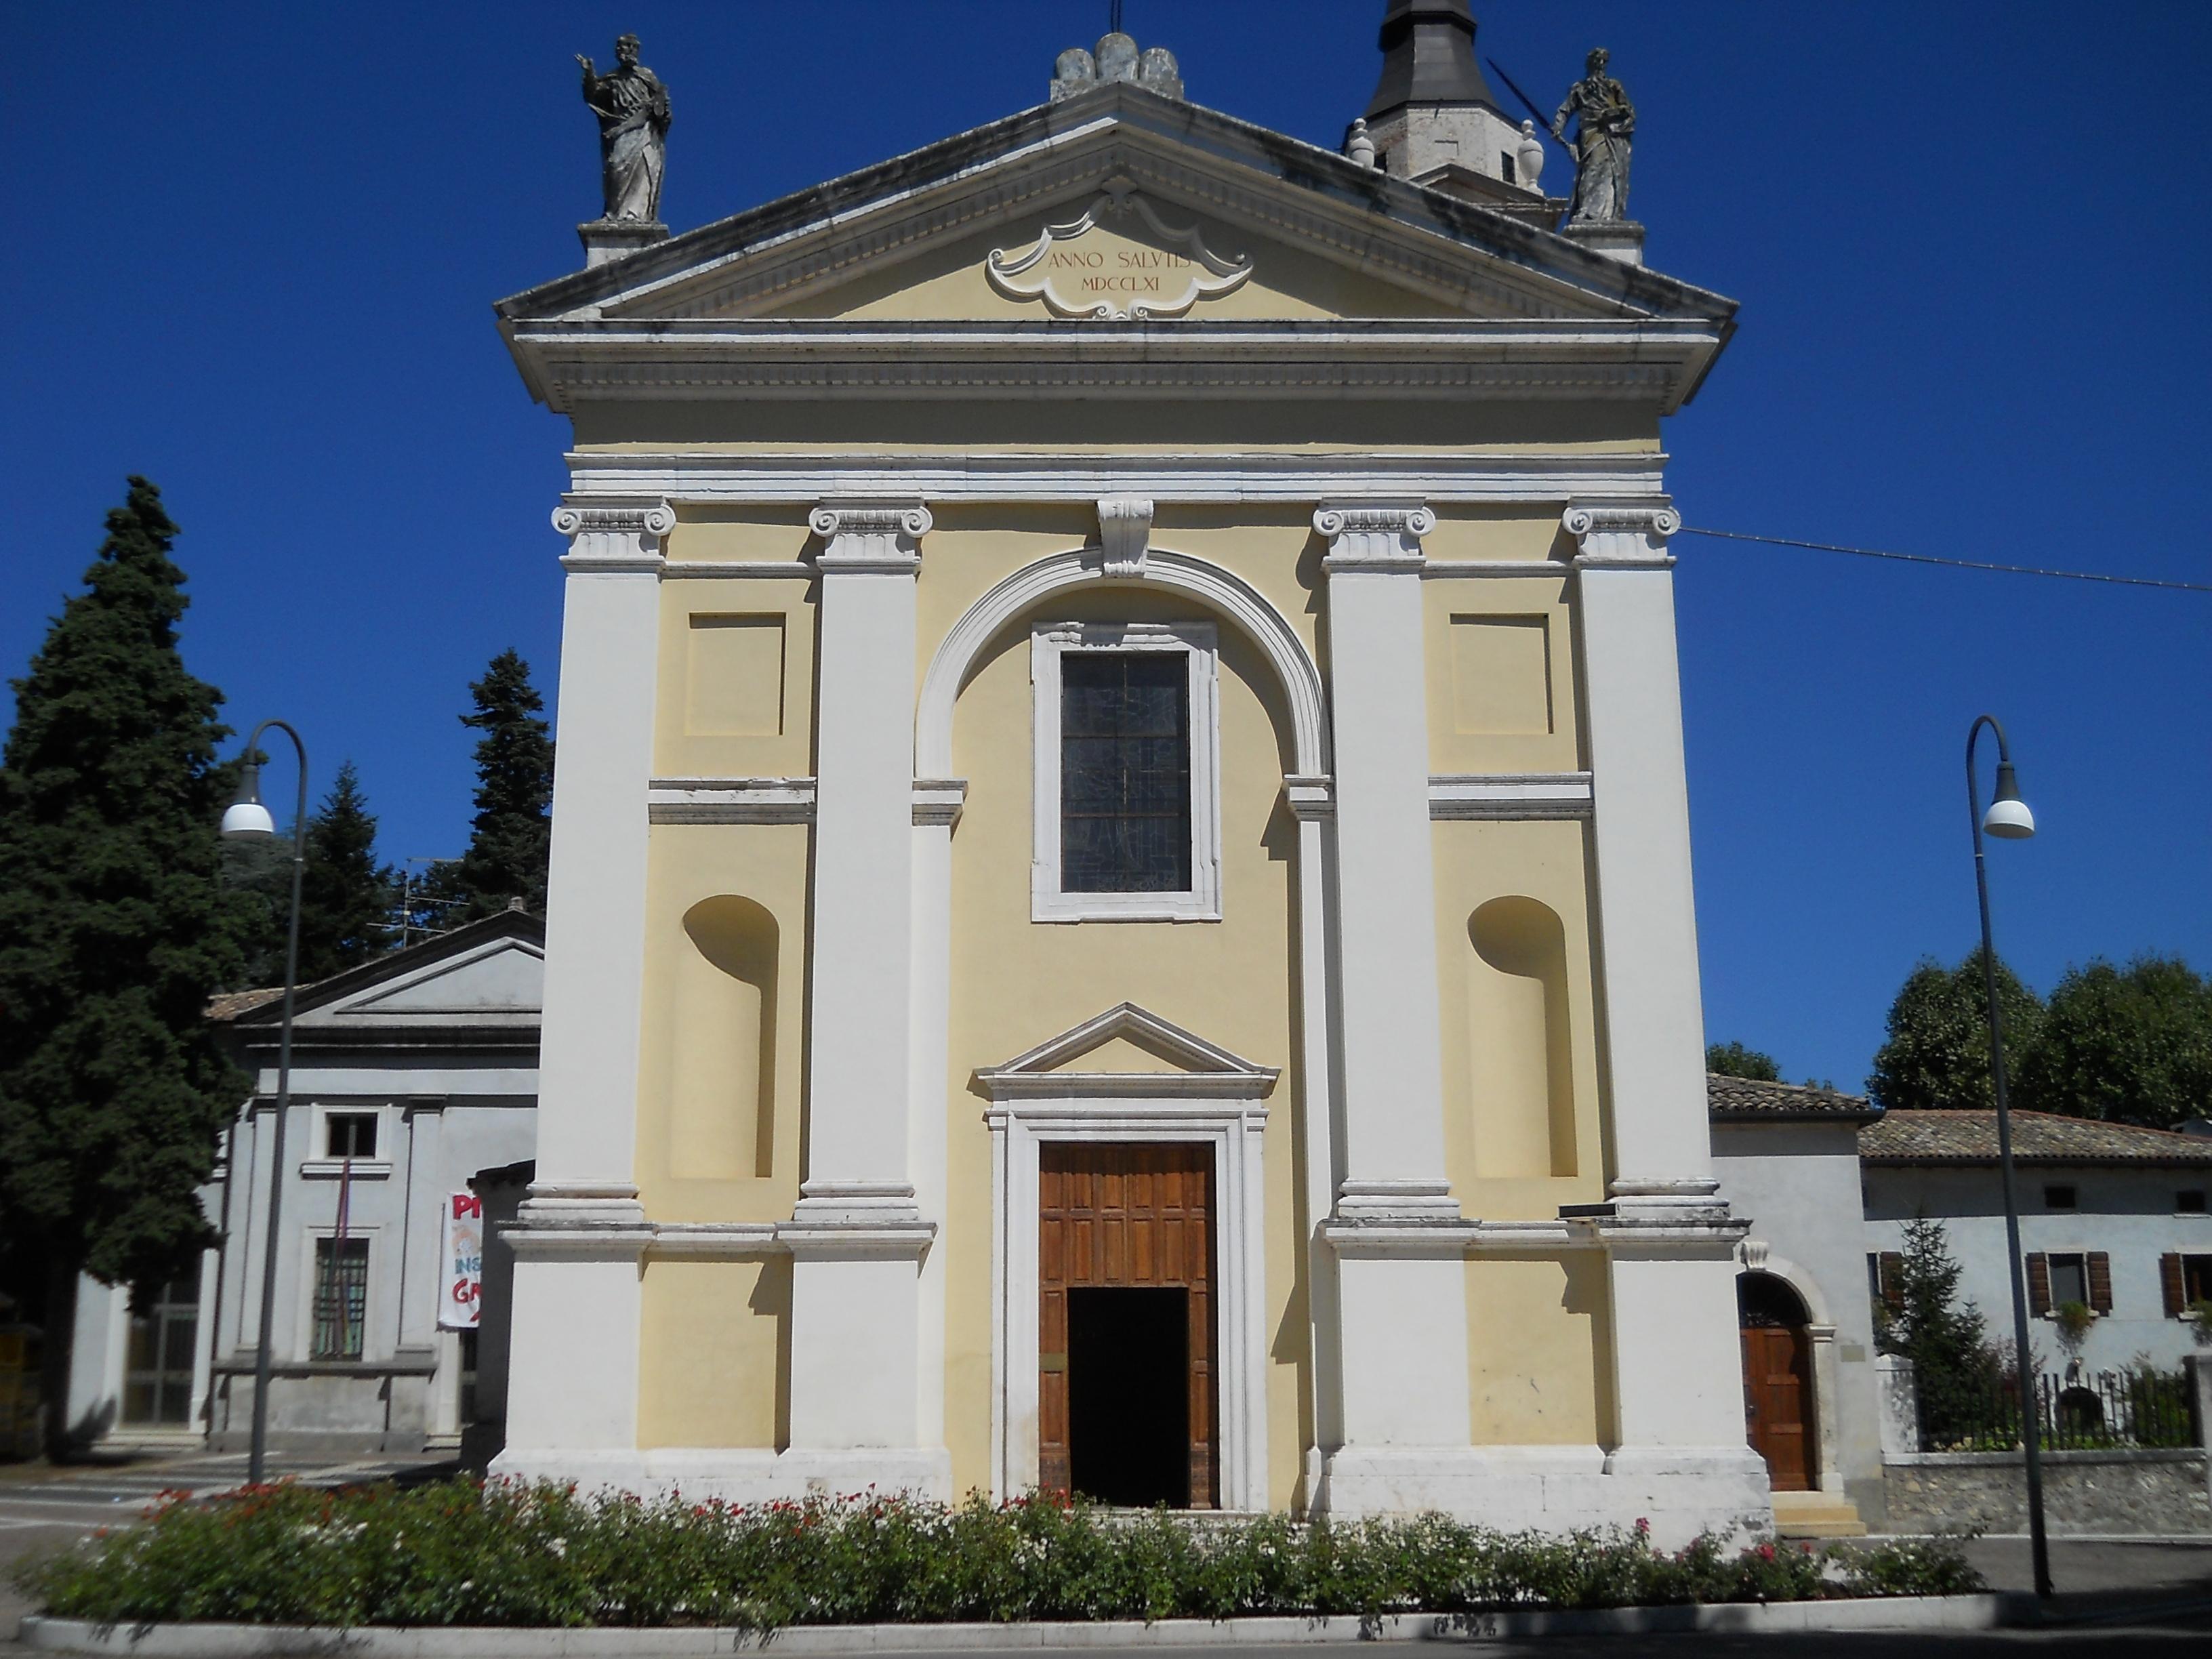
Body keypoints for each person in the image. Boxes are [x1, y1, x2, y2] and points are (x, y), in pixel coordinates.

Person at [578, 34, 671, 222]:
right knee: (615, 166)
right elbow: (593, 96)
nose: (627, 51)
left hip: (644, 130)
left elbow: (664, 107)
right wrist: (589, 74)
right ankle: (614, 214)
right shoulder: (613, 78)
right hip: (620, 130)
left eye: (631, 47)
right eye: (622, 47)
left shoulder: (647, 76)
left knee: (642, 171)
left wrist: (660, 109)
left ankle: (635, 215)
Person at [1551, 47, 1634, 224]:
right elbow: (1565, 109)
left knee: (1607, 170)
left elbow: (1628, 111)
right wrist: (1558, 126)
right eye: (1597, 61)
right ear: (1590, 63)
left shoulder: (1613, 86)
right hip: (1589, 133)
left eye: (1604, 61)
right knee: (1591, 168)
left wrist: (1611, 113)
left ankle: (1600, 213)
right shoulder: (1580, 89)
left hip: (1610, 133)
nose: (1601, 65)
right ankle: (1587, 211)